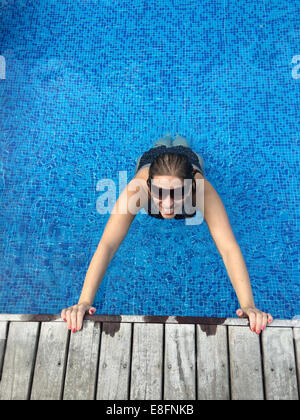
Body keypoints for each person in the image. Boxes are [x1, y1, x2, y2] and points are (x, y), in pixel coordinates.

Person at [61, 134, 273, 333]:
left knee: (183, 145)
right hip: (151, 162)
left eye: (177, 194)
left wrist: (248, 306)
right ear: (149, 187)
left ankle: (181, 142)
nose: (168, 205)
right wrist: (84, 302)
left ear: (190, 188)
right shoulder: (137, 190)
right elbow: (107, 245)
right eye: (160, 193)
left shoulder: (202, 190)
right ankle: (162, 143)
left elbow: (228, 248)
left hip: (187, 163)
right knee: (160, 145)